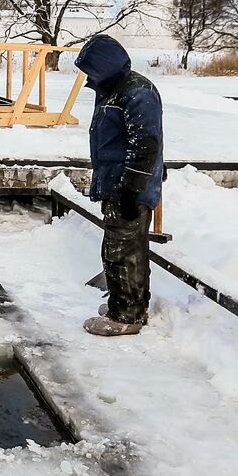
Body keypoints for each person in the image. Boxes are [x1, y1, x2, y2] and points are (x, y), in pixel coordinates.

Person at [75, 34, 164, 337]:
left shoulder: (137, 93)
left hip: (129, 187)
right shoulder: (112, 89)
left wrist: (130, 188)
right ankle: (131, 306)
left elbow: (145, 145)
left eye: (91, 70)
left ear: (105, 66)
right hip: (117, 182)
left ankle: (124, 316)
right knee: (129, 248)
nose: (88, 77)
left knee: (120, 250)